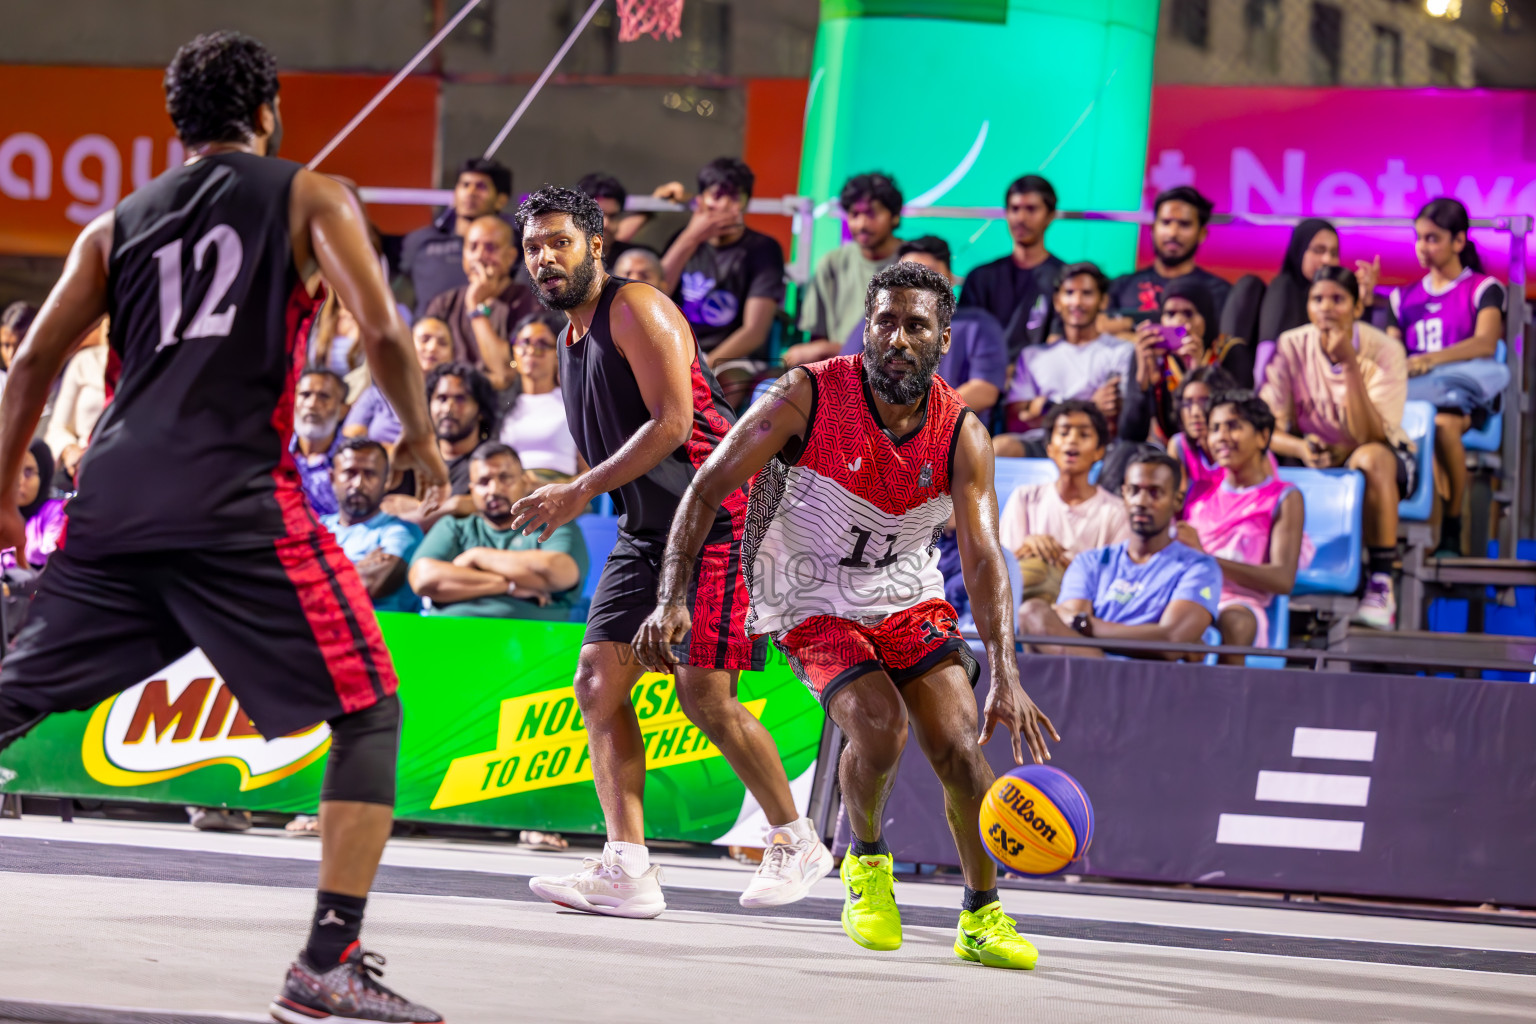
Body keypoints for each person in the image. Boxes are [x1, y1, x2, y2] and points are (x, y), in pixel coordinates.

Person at [0, 31, 448, 1022]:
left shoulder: (114, 224)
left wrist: (1, 488)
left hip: (114, 500)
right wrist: (420, 436)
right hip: (231, 499)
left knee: (13, 694)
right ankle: (325, 965)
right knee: (369, 707)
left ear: (176, 123)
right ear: (271, 109)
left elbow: (31, 362)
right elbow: (380, 329)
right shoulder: (310, 194)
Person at [634, 260, 1057, 968]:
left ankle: (983, 915)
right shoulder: (805, 394)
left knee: (958, 743)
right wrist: (672, 597)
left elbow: (984, 561)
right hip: (805, 592)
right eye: (884, 321)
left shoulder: (964, 434)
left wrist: (1008, 674)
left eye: (914, 325)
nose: (896, 337)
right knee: (880, 727)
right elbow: (705, 490)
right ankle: (864, 860)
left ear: (943, 339)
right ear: (866, 326)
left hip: (904, 589)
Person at [508, 185, 832, 918]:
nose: (545, 257)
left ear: (595, 245)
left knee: (702, 695)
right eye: (533, 246)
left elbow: (671, 423)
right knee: (597, 680)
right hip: (648, 528)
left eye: (559, 241)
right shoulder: (568, 339)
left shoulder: (637, 307)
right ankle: (627, 868)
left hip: (722, 514)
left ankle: (794, 839)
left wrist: (576, 490)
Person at [1261, 266, 1412, 629]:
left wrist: (1349, 364)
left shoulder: (1386, 350)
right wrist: (1300, 447)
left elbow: (1370, 435)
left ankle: (1380, 582)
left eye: (1338, 300)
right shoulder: (1292, 344)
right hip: (1312, 456)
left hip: (1379, 457)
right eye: (1318, 299)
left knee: (1371, 458)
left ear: (1357, 308)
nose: (1326, 308)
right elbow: (1265, 428)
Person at [1389, 197, 1509, 557]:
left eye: (1432, 238)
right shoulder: (1402, 297)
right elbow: (1393, 356)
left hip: (1462, 398)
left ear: (1459, 241)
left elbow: (1486, 343)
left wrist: (1430, 360)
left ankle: (1452, 525)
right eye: (1419, 238)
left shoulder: (1483, 288)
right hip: (1413, 399)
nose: (1422, 248)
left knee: (1440, 424)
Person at [1018, 453, 1220, 658]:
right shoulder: (1090, 561)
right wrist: (1145, 637)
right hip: (1091, 669)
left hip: (1149, 678)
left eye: (1154, 493)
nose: (1141, 501)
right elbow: (1069, 634)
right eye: (1133, 491)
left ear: (1177, 501)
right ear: (1123, 495)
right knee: (1031, 612)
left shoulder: (1199, 567)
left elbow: (1171, 642)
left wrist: (1087, 625)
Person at [1180, 392, 1309, 662]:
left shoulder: (1284, 497)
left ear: (1263, 437)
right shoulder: (1200, 492)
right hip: (1188, 594)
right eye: (1215, 428)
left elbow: (1282, 579)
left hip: (1239, 603)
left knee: (1236, 623)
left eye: (1234, 426)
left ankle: (1229, 702)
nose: (1222, 437)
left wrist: (1207, 560)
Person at [409, 442, 588, 619]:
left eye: (504, 478)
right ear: (472, 490)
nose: (493, 490)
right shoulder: (454, 525)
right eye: (483, 482)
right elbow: (423, 578)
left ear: (525, 482)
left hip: (533, 639)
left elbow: (561, 573)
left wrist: (476, 556)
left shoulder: (552, 523)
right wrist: (507, 586)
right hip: (449, 634)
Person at [836, 237, 1007, 412]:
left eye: (930, 274)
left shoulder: (980, 325)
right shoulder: (878, 321)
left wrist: (923, 419)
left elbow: (984, 389)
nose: (917, 285)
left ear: (950, 278)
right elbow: (847, 376)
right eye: (906, 276)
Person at [659, 157, 785, 378]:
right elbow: (654, 296)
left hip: (731, 359)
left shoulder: (763, 248)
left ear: (747, 202)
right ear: (701, 200)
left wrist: (702, 368)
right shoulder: (682, 240)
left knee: (726, 382)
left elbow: (754, 331)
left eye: (734, 197)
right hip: (675, 350)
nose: (725, 206)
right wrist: (691, 238)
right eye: (717, 196)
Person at [992, 262, 1134, 450]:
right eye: (1069, 293)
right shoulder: (1033, 356)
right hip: (1043, 443)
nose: (1077, 301)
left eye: (1087, 293)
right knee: (1001, 447)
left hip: (1096, 445)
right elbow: (1016, 422)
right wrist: (1091, 404)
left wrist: (1043, 409)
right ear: (1057, 302)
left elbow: (1114, 420)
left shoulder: (1121, 352)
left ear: (1104, 301)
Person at [999, 401, 1130, 604]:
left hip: (1080, 611)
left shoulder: (1117, 511)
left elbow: (1116, 582)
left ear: (1099, 451)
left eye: (1084, 434)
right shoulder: (1025, 497)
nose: (1072, 440)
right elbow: (1000, 569)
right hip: (1022, 606)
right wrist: (1028, 546)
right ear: (1050, 448)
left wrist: (1067, 568)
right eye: (1064, 432)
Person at [785, 172, 903, 366]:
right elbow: (816, 339)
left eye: (871, 214)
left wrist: (827, 349)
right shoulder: (832, 263)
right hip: (840, 371)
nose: (862, 224)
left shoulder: (912, 263)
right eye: (855, 214)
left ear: (895, 216)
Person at [422, 214, 538, 392]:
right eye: (472, 247)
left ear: (511, 257)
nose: (479, 256)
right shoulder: (443, 303)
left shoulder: (529, 303)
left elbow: (506, 372)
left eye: (490, 248)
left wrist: (475, 307)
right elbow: (428, 370)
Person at [958, 174, 1065, 363]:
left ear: (1050, 216)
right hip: (983, 378)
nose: (1021, 218)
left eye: (1031, 209)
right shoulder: (980, 278)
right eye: (1014, 209)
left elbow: (1060, 345)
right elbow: (964, 340)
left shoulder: (1064, 280)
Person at [1123, 277, 1242, 442]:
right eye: (1170, 314)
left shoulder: (1230, 351)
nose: (1178, 321)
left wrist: (1199, 372)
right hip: (1165, 452)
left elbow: (1235, 423)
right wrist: (1142, 382)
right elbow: (1130, 436)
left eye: (1188, 313)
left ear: (1205, 317)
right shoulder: (1149, 353)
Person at [398, 156, 515, 318]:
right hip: (427, 338)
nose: (471, 192)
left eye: (481, 187)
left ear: (500, 200)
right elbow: (398, 292)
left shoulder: (512, 246)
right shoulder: (421, 240)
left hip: (483, 332)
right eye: (465, 185)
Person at [1104, 186, 1231, 331]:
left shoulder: (1219, 292)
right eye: (1166, 222)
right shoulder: (1122, 286)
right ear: (1152, 229)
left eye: (1184, 224)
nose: (1172, 233)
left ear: (1202, 233)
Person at [319, 439, 424, 614]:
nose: (358, 484)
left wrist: (315, 571)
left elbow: (370, 584)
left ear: (387, 481)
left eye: (369, 474)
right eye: (350, 473)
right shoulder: (317, 527)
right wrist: (357, 568)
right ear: (332, 478)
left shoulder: (402, 532)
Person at [1257, 218, 1382, 344]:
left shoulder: (1341, 296)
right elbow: (1271, 353)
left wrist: (1361, 300)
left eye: (1333, 253)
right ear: (1299, 251)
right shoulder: (1283, 287)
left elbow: (1357, 349)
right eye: (1318, 250)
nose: (1327, 260)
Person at [498, 312, 584, 483]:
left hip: (561, 490)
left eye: (543, 344)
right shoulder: (502, 406)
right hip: (510, 491)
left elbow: (591, 470)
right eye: (524, 343)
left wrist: (556, 486)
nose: (531, 351)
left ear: (557, 354)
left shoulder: (573, 403)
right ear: (514, 351)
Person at [342, 316, 455, 444]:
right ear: (407, 345)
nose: (432, 348)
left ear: (452, 354)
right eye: (424, 339)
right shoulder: (378, 394)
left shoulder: (452, 401)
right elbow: (350, 436)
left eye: (442, 343)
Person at [43, 317, 108, 489]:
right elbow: (57, 428)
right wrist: (70, 450)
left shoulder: (148, 363)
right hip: (85, 465)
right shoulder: (85, 362)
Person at [1165, 364, 1240, 511]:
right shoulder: (1179, 446)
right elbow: (1175, 506)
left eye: (1204, 402)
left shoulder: (1239, 445)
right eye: (1187, 403)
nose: (1194, 412)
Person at [291, 367, 348, 517]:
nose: (312, 404)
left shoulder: (354, 460)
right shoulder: (273, 450)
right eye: (305, 395)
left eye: (324, 396)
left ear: (343, 409)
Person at [16, 440, 63, 568]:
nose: (19, 480)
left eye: (28, 472)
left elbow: (55, 565)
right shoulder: (6, 511)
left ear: (43, 476)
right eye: (14, 470)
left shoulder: (55, 513)